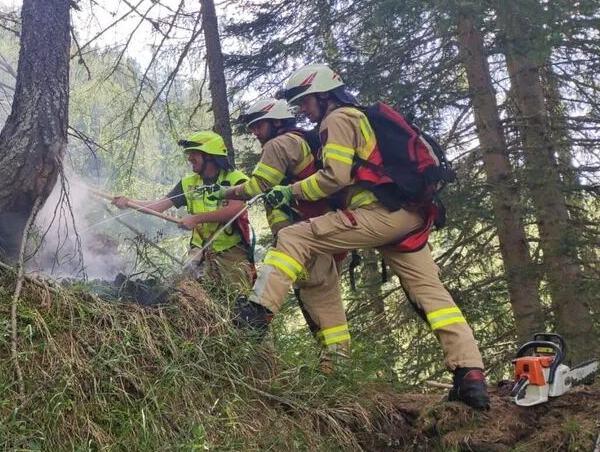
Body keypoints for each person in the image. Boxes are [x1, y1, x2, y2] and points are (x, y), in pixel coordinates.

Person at [232, 64, 490, 410]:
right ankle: (470, 376)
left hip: (377, 213)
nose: (303, 111)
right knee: (431, 295)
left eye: (306, 102)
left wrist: (289, 192)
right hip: (408, 215)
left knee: (294, 236)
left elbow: (333, 178)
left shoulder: (337, 119)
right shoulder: (360, 117)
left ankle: (257, 314)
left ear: (324, 95)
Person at [223, 98, 350, 363]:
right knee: (322, 296)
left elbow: (258, 185)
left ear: (277, 121)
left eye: (259, 126)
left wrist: (226, 192)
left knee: (318, 296)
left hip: (307, 234)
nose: (255, 133)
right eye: (252, 128)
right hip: (324, 230)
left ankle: (258, 314)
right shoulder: (302, 141)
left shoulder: (279, 143)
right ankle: (337, 362)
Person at [111, 131, 254, 295]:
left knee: (238, 302)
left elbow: (235, 210)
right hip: (200, 252)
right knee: (188, 294)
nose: (190, 158)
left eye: (194, 154)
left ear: (210, 156)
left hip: (232, 253)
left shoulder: (237, 179)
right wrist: (128, 202)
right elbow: (157, 206)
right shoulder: (188, 184)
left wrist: (196, 219)